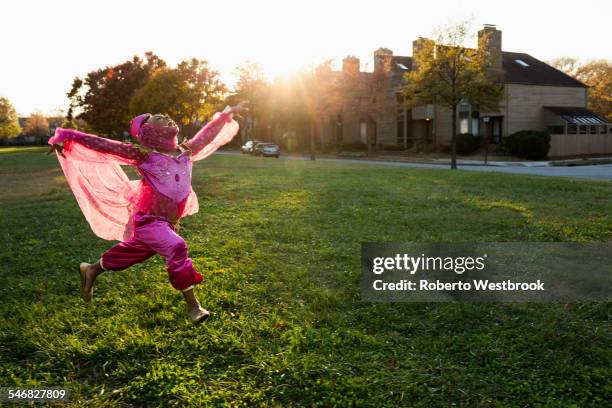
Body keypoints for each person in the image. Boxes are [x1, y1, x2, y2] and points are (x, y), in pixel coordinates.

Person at [48, 101, 249, 325]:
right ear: (147, 131)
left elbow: (207, 134)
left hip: (168, 223)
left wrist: (225, 115)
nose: (164, 115)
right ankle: (194, 307)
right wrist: (68, 136)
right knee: (176, 246)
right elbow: (104, 145)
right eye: (156, 117)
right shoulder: (144, 156)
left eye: (164, 114)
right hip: (149, 221)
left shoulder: (186, 151)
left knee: (132, 253)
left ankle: (92, 269)